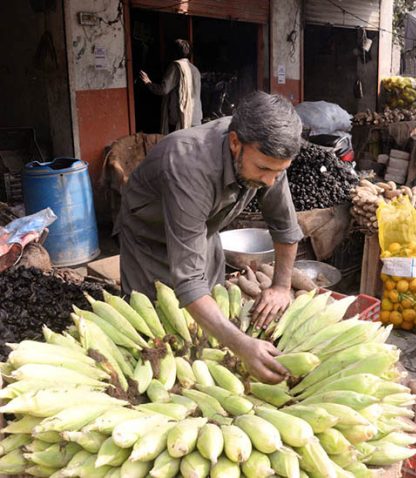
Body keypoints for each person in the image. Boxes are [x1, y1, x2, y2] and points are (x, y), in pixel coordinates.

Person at [116, 92, 304, 383]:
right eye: (264, 169)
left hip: (203, 228)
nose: (270, 181)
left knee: (211, 316)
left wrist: (281, 286)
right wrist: (242, 345)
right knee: (156, 327)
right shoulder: (188, 163)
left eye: (279, 172)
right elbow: (189, 282)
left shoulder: (269, 156)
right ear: (234, 143)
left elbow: (284, 226)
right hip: (149, 236)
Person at [140, 39, 202, 134]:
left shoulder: (175, 67)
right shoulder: (195, 69)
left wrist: (148, 82)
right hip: (196, 116)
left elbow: (163, 89)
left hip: (181, 118)